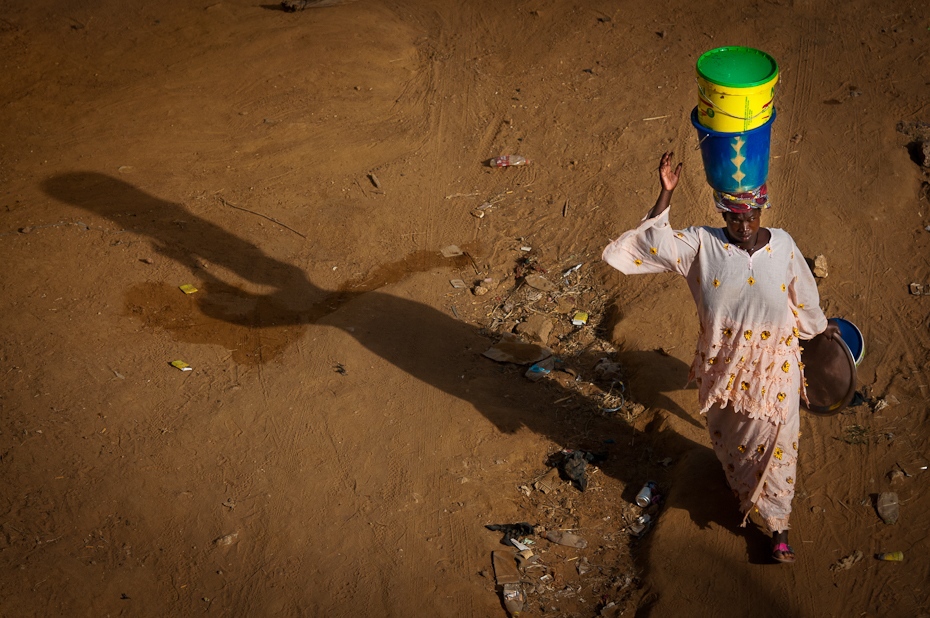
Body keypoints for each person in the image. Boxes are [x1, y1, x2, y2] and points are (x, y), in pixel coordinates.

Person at [602, 151, 840, 564]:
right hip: (724, 371)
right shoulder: (703, 244)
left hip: (775, 368)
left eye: (750, 217)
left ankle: (779, 527)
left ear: (762, 211)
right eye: (734, 219)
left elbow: (806, 301)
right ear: (723, 216)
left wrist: (822, 337)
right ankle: (745, 491)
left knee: (778, 443)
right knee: (733, 441)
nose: (743, 227)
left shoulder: (783, 245)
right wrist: (665, 194)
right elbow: (654, 243)